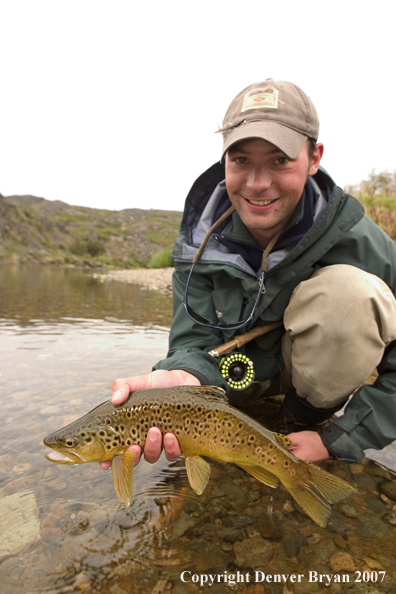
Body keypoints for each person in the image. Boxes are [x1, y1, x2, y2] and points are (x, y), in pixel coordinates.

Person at [100, 78, 396, 474]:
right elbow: (193, 341)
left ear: (314, 158)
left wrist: (339, 437)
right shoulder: (199, 240)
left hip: (307, 386)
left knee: (352, 295)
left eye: (279, 160)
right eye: (241, 160)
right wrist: (187, 376)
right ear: (224, 161)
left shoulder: (361, 241)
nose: (258, 184)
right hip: (227, 386)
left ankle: (299, 421)